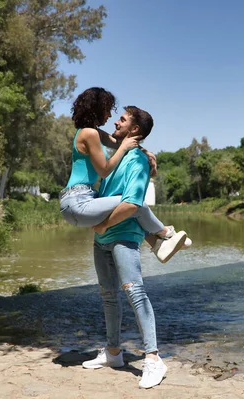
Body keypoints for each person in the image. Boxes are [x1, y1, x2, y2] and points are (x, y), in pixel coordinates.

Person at [81, 105, 170, 389]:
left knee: (135, 293)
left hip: (124, 236)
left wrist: (105, 225)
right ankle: (114, 353)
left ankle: (154, 359)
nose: (115, 122)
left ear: (134, 130)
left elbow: (133, 203)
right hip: (102, 240)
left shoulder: (139, 161)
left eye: (122, 120)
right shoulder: (112, 156)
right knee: (108, 296)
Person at [59, 87, 190, 263]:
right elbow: (105, 169)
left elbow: (120, 142)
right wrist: (125, 148)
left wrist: (146, 152)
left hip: (81, 201)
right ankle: (167, 233)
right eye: (107, 109)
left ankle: (156, 244)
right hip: (78, 202)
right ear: (97, 108)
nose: (109, 116)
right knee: (135, 204)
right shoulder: (89, 133)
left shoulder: (93, 133)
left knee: (127, 211)